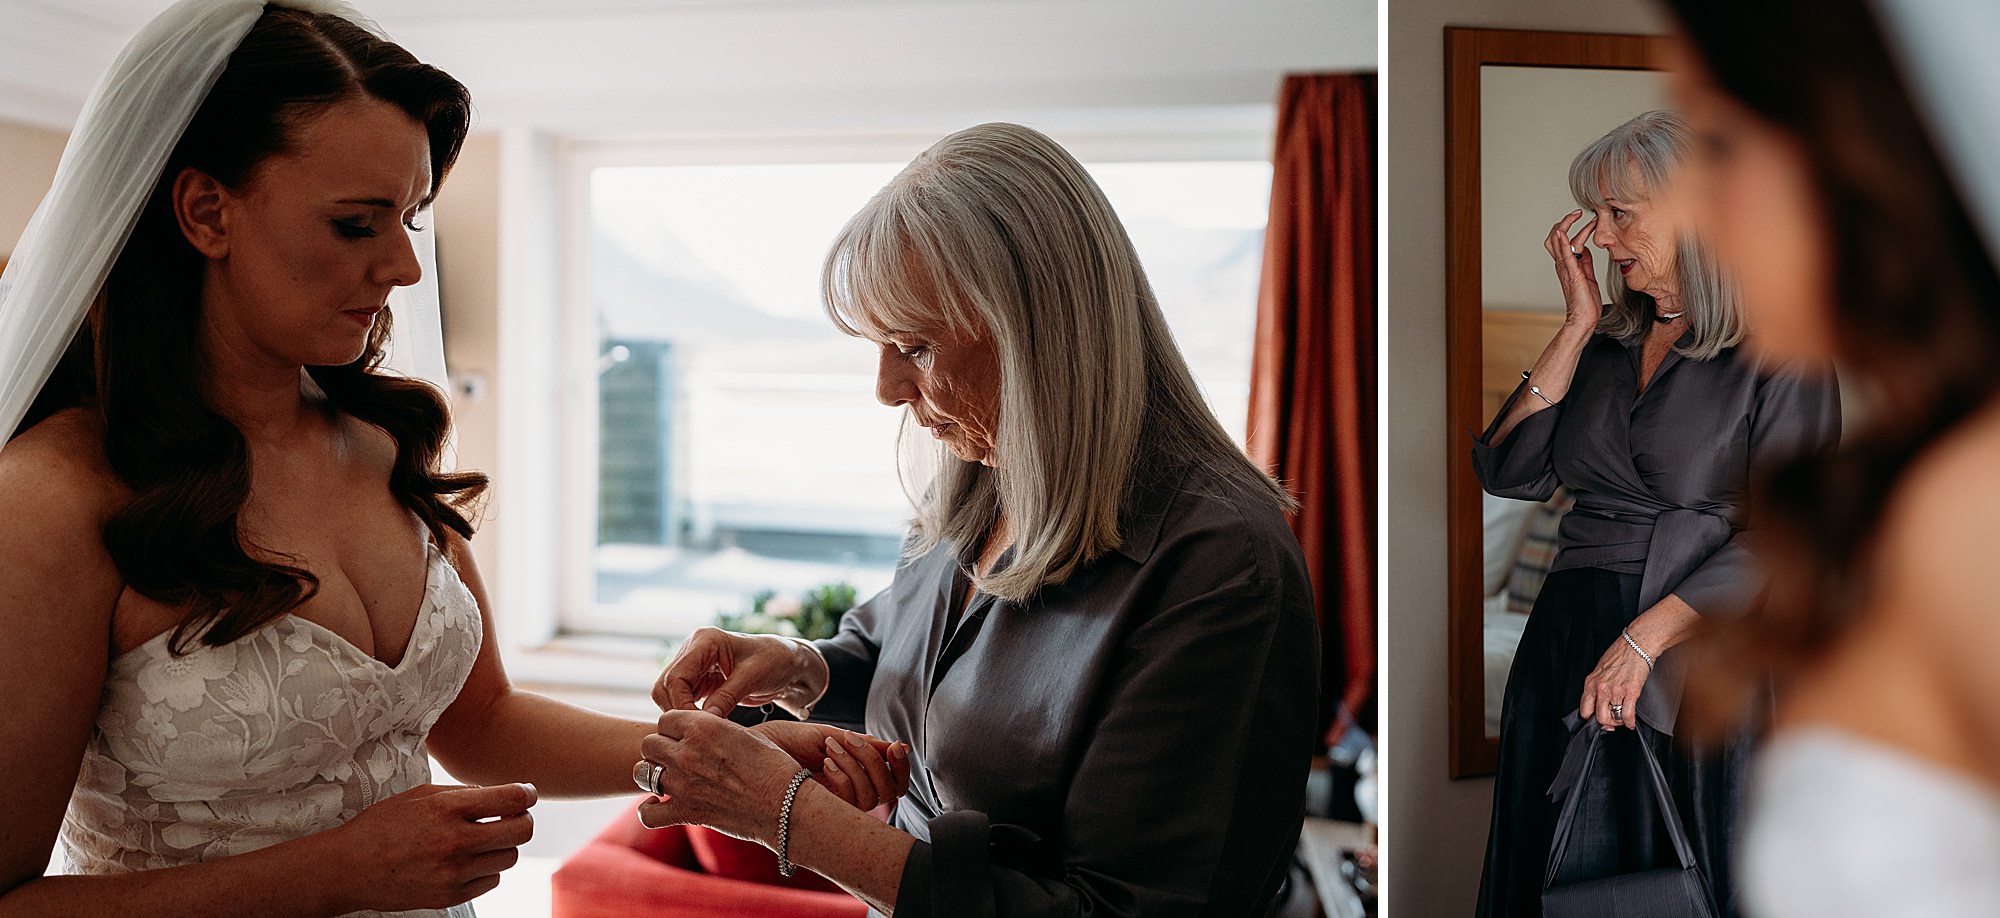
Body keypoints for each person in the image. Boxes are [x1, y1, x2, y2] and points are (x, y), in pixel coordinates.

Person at [0, 2, 898, 914]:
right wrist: (328, 874)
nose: (404, 267)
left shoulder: (382, 443)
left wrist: (710, 762)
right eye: (358, 223)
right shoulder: (54, 499)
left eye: (410, 218)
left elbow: (481, 722)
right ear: (205, 211)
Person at [634, 122, 1320, 917]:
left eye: (915, 346)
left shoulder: (1217, 568)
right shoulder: (978, 478)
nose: (886, 389)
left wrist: (793, 818)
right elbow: (897, 648)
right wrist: (800, 666)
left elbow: (1120, 910)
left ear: (1040, 334)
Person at [1663, 0, 2000, 914]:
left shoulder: (1979, 506)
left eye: (1722, 141)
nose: (1689, 207)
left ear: (1870, 145)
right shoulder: (1926, 476)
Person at [1469, 111, 1839, 917]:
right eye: (1595, 214)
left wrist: (1645, 640)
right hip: (1569, 631)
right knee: (1556, 870)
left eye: (1619, 213)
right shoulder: (1603, 347)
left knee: (1688, 874)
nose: (1600, 236)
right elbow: (1509, 471)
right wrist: (1573, 326)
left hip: (1699, 644)